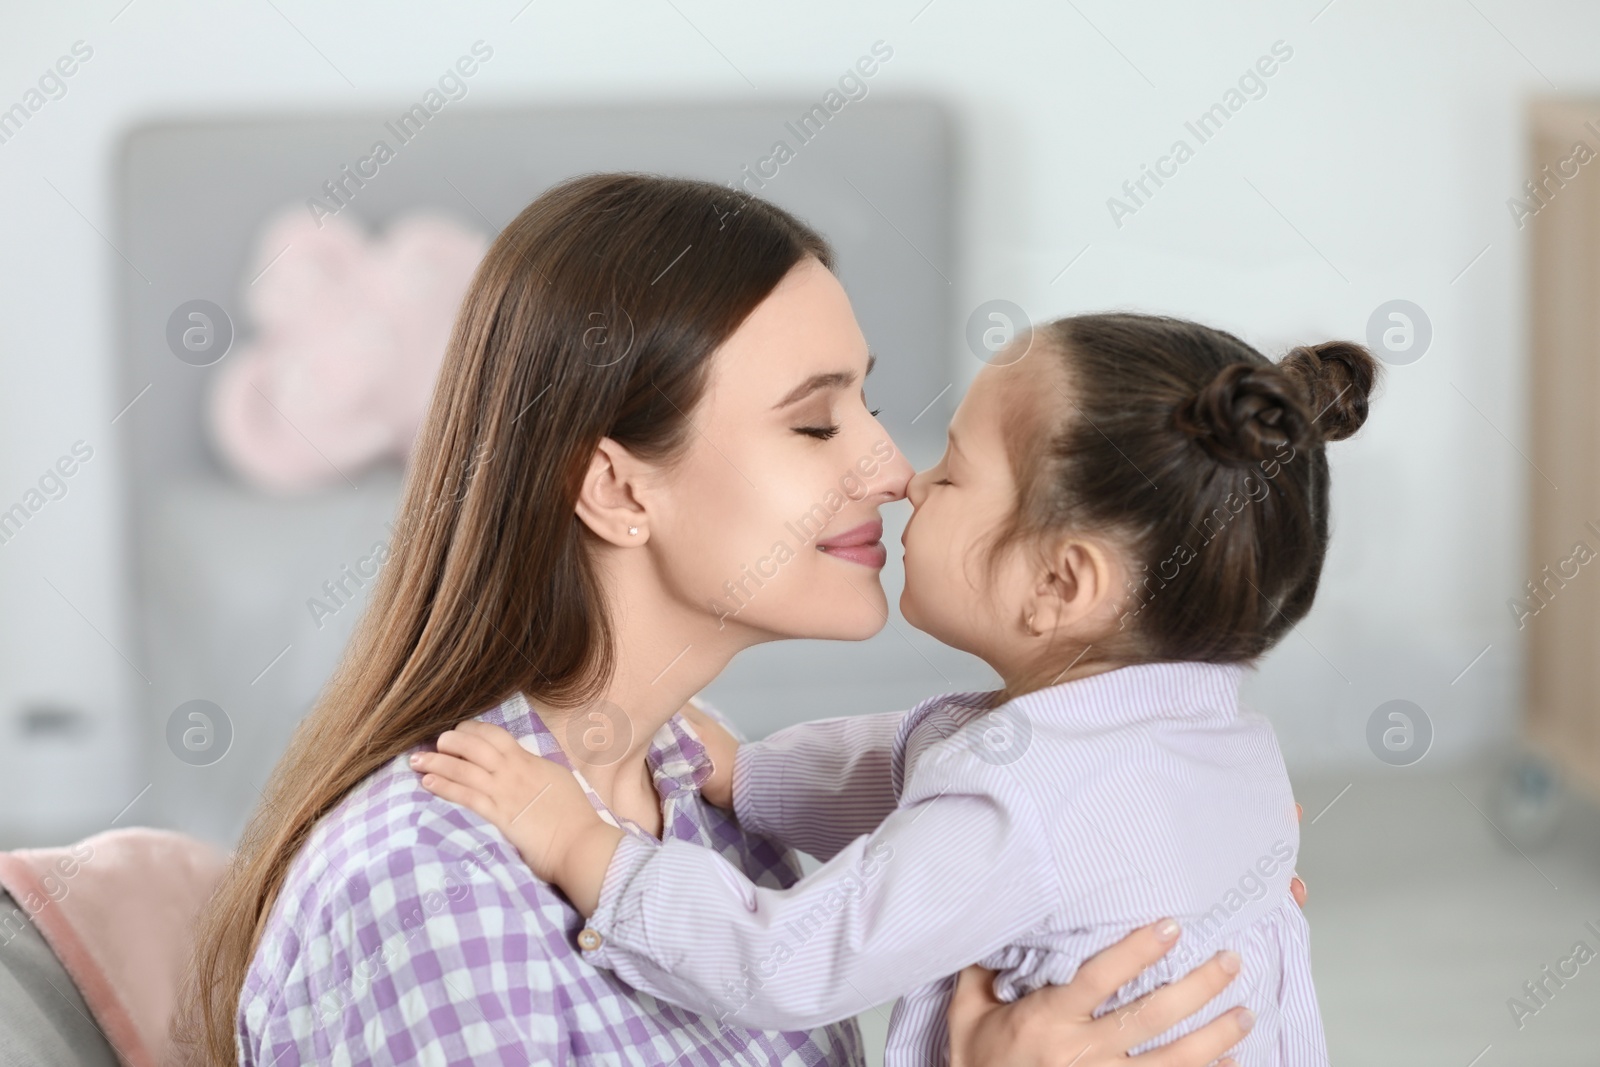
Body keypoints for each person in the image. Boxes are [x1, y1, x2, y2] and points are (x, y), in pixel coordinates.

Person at [173, 172, 1276, 1066]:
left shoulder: (700, 802)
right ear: (617, 488)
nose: (892, 470)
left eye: (870, 405)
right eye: (813, 424)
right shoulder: (429, 890)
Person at [412, 311, 1374, 1063]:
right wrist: (752, 778)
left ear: (1060, 583)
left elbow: (790, 963)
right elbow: (908, 764)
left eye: (953, 474)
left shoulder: (1022, 798)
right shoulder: (1210, 742)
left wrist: (586, 845)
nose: (908, 480)